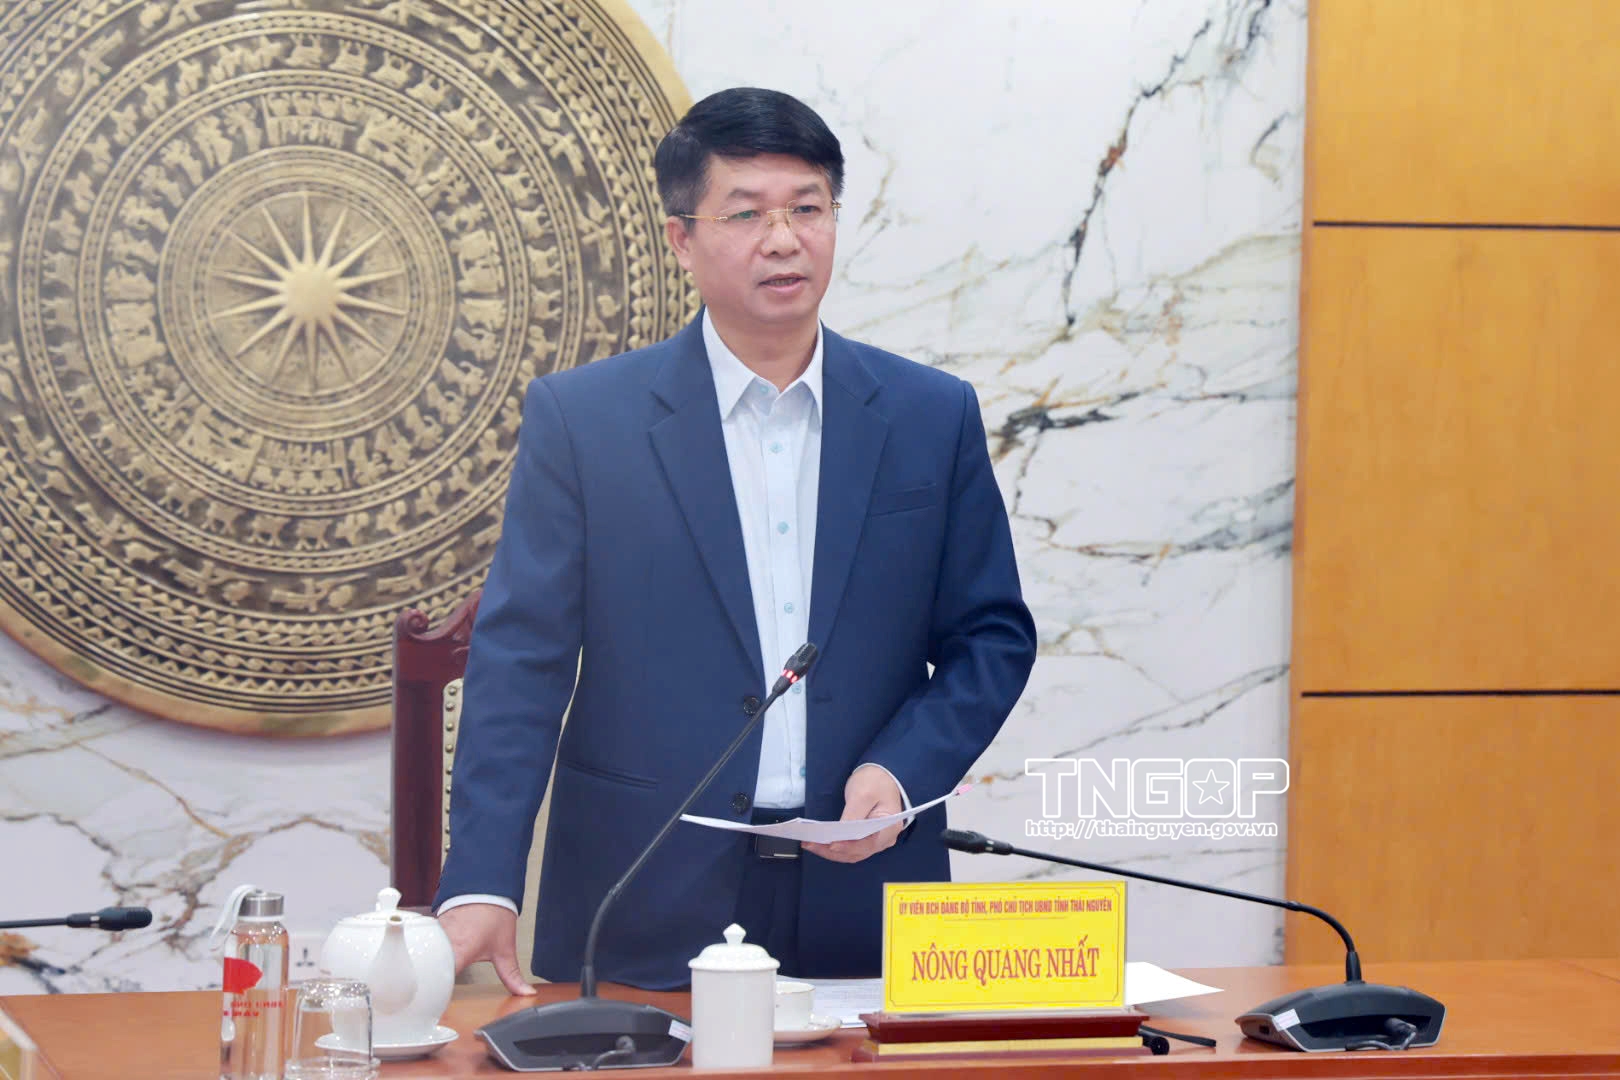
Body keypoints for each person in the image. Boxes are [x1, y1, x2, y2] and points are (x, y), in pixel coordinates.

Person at [434, 87, 1037, 994]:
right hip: (640, 893)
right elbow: (522, 660)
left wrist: (905, 769)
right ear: (682, 239)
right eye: (746, 214)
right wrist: (483, 879)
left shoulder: (929, 414)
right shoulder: (585, 421)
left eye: (807, 209)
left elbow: (991, 637)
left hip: (866, 891)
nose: (783, 239)